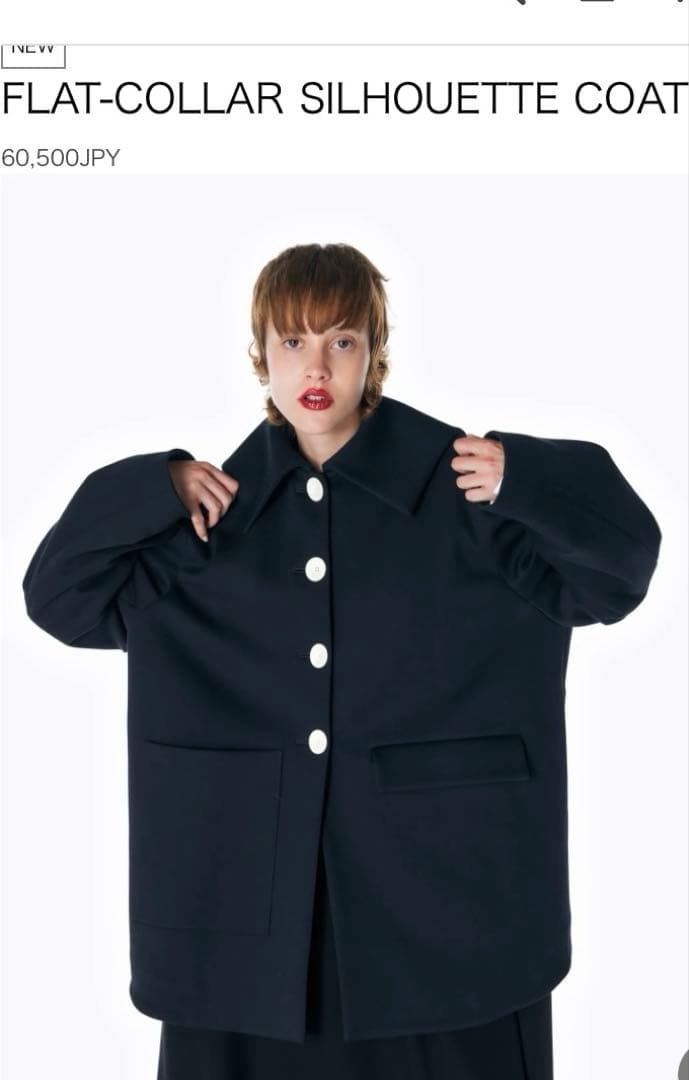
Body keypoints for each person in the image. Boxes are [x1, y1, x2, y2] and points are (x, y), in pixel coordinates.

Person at [23, 243, 661, 1080]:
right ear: (261, 355)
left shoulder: (468, 498)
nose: (315, 366)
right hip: (244, 927)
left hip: (453, 922)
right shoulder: (205, 524)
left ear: (374, 351)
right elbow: (58, 599)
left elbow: (618, 573)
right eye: (292, 341)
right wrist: (152, 489)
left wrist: (529, 480)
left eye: (341, 340)